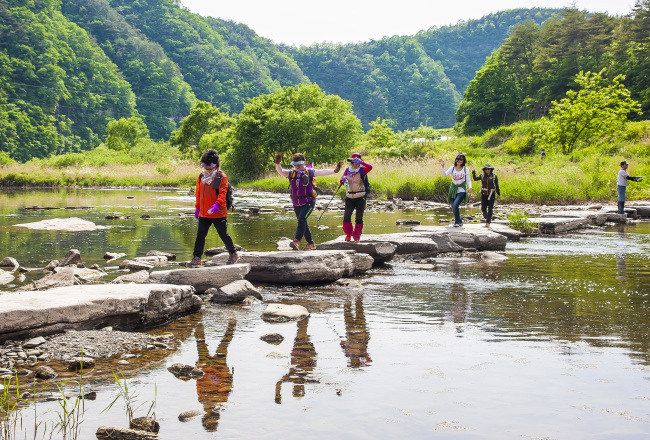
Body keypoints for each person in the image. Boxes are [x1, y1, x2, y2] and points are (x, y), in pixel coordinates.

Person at [275, 152, 342, 250]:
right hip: (296, 202)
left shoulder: (309, 172)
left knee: (301, 219)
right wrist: (277, 163)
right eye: (295, 165)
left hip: (309, 201)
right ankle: (311, 243)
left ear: (304, 163)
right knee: (303, 221)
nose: (297, 166)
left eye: (299, 164)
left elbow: (322, 172)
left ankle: (296, 241)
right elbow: (280, 171)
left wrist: (335, 170)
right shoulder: (291, 173)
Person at [189, 149, 239, 267]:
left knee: (223, 234)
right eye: (205, 168)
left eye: (209, 168)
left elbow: (222, 193)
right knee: (200, 234)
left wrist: (217, 204)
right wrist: (197, 208)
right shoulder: (201, 176)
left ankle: (233, 253)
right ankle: (197, 258)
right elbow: (198, 193)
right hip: (204, 212)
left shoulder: (222, 176)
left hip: (218, 212)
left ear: (216, 166)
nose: (207, 170)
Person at [340, 153, 372, 242]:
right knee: (346, 216)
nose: (355, 164)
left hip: (360, 197)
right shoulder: (347, 170)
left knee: (358, 218)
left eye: (357, 162)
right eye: (353, 162)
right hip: (349, 196)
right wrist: (342, 180)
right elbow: (341, 180)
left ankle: (357, 237)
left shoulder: (362, 170)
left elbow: (370, 167)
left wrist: (362, 162)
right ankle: (348, 234)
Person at [440, 154, 472, 227]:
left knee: (455, 205)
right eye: (457, 159)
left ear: (463, 161)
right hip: (453, 190)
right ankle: (460, 221)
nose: (459, 161)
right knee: (453, 206)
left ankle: (457, 222)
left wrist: (470, 187)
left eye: (461, 160)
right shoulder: (452, 168)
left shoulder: (465, 169)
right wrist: (443, 167)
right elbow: (445, 175)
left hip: (462, 190)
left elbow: (468, 180)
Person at [471, 163, 500, 227]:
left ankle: (488, 222)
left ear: (491, 170)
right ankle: (486, 217)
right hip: (484, 193)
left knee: (490, 208)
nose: (487, 170)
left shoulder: (494, 176)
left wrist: (498, 194)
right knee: (483, 208)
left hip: (491, 193)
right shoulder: (482, 175)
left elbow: (497, 185)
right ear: (484, 170)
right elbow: (475, 179)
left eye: (488, 169)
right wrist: (473, 171)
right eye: (486, 169)